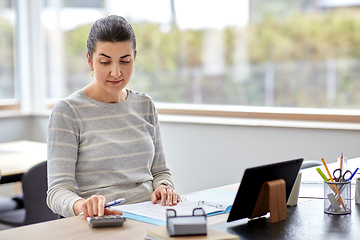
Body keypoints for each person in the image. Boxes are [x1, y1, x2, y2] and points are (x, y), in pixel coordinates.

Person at [46, 15, 180, 218]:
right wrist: (82, 205)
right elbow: (57, 192)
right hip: (100, 222)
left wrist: (163, 186)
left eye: (125, 61)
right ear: (90, 60)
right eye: (105, 62)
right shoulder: (67, 112)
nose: (116, 72)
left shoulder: (145, 105)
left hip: (150, 217)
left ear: (134, 57)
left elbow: (160, 172)